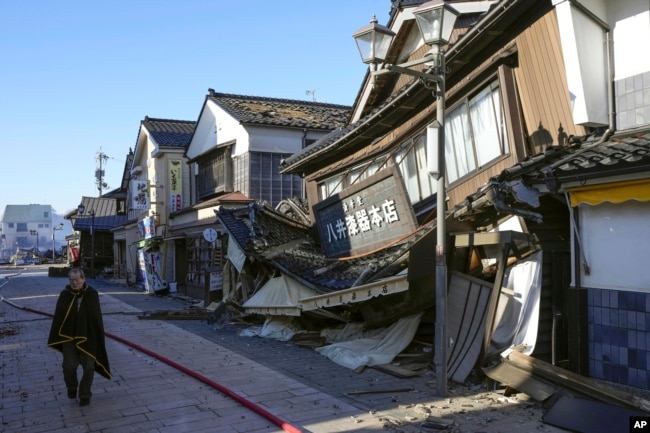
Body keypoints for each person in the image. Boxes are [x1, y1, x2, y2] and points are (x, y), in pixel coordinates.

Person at [47, 268, 111, 406]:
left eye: (77, 279)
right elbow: (59, 317)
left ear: (83, 279)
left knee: (89, 367)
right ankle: (71, 386)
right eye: (71, 280)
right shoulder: (65, 295)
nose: (74, 283)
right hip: (69, 338)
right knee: (69, 366)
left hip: (88, 337)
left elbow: (96, 317)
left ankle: (85, 395)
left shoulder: (91, 294)